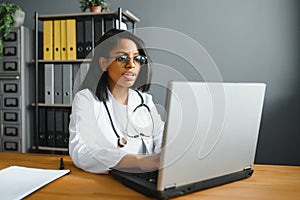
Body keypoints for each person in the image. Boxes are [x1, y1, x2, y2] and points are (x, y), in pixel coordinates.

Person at [69, 29, 164, 174]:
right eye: (122, 58)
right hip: (110, 181)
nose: (131, 65)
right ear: (104, 63)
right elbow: (82, 151)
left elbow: (161, 136)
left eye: (137, 59)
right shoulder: (86, 99)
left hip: (148, 177)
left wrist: (162, 157)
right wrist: (140, 162)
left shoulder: (144, 100)